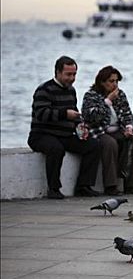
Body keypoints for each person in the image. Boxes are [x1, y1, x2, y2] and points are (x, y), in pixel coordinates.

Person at [27, 56, 101, 199]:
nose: (72, 78)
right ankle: (53, 189)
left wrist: (80, 126)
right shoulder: (44, 90)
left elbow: (73, 115)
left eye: (74, 74)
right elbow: (42, 114)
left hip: (64, 135)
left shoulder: (71, 91)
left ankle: (83, 186)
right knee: (56, 149)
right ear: (58, 72)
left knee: (94, 145)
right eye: (68, 74)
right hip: (41, 135)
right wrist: (65, 114)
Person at [82, 66, 133, 195]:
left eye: (116, 81)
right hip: (99, 131)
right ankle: (110, 185)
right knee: (110, 144)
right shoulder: (91, 96)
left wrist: (129, 128)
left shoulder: (120, 95)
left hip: (118, 129)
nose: (115, 84)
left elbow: (127, 114)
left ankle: (131, 184)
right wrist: (108, 101)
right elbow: (92, 117)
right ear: (102, 82)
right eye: (111, 81)